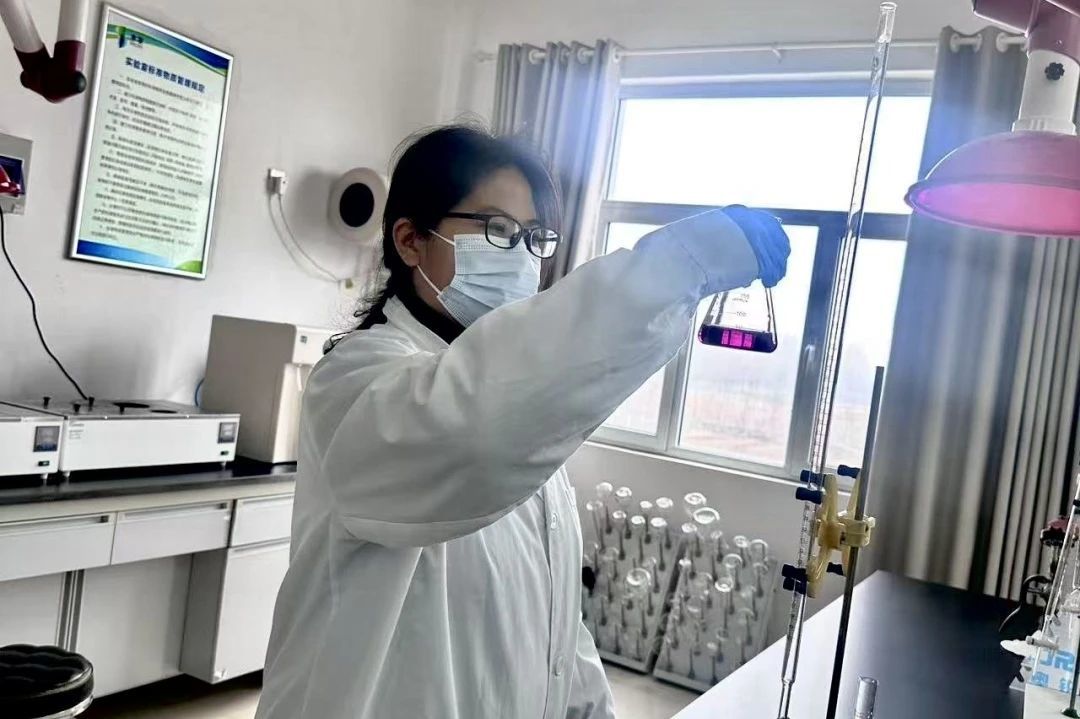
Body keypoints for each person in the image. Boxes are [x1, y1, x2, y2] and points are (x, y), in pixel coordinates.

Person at [255, 124, 790, 719]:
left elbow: (554, 617)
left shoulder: (525, 415)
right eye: (497, 230)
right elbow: (472, 431)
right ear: (410, 240)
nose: (521, 255)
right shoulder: (357, 382)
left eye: (534, 237)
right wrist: (684, 264)